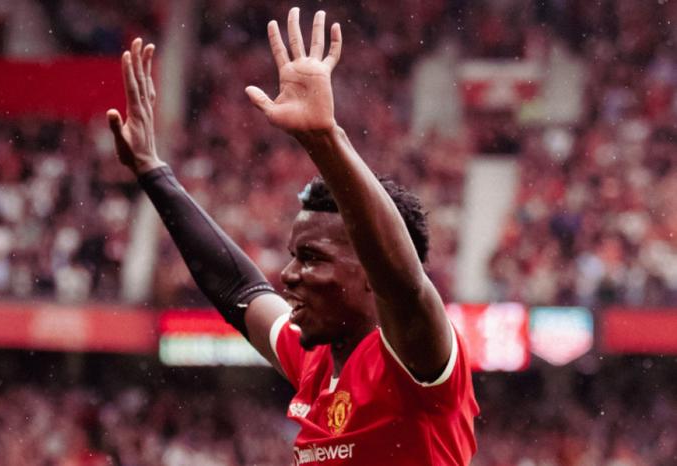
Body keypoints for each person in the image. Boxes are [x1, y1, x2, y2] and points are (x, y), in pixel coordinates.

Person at [106, 7, 478, 465]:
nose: (288, 274)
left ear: (369, 272)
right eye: (294, 256)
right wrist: (152, 171)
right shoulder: (315, 361)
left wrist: (325, 139)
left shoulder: (416, 358)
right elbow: (238, 288)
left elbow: (403, 283)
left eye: (312, 257)